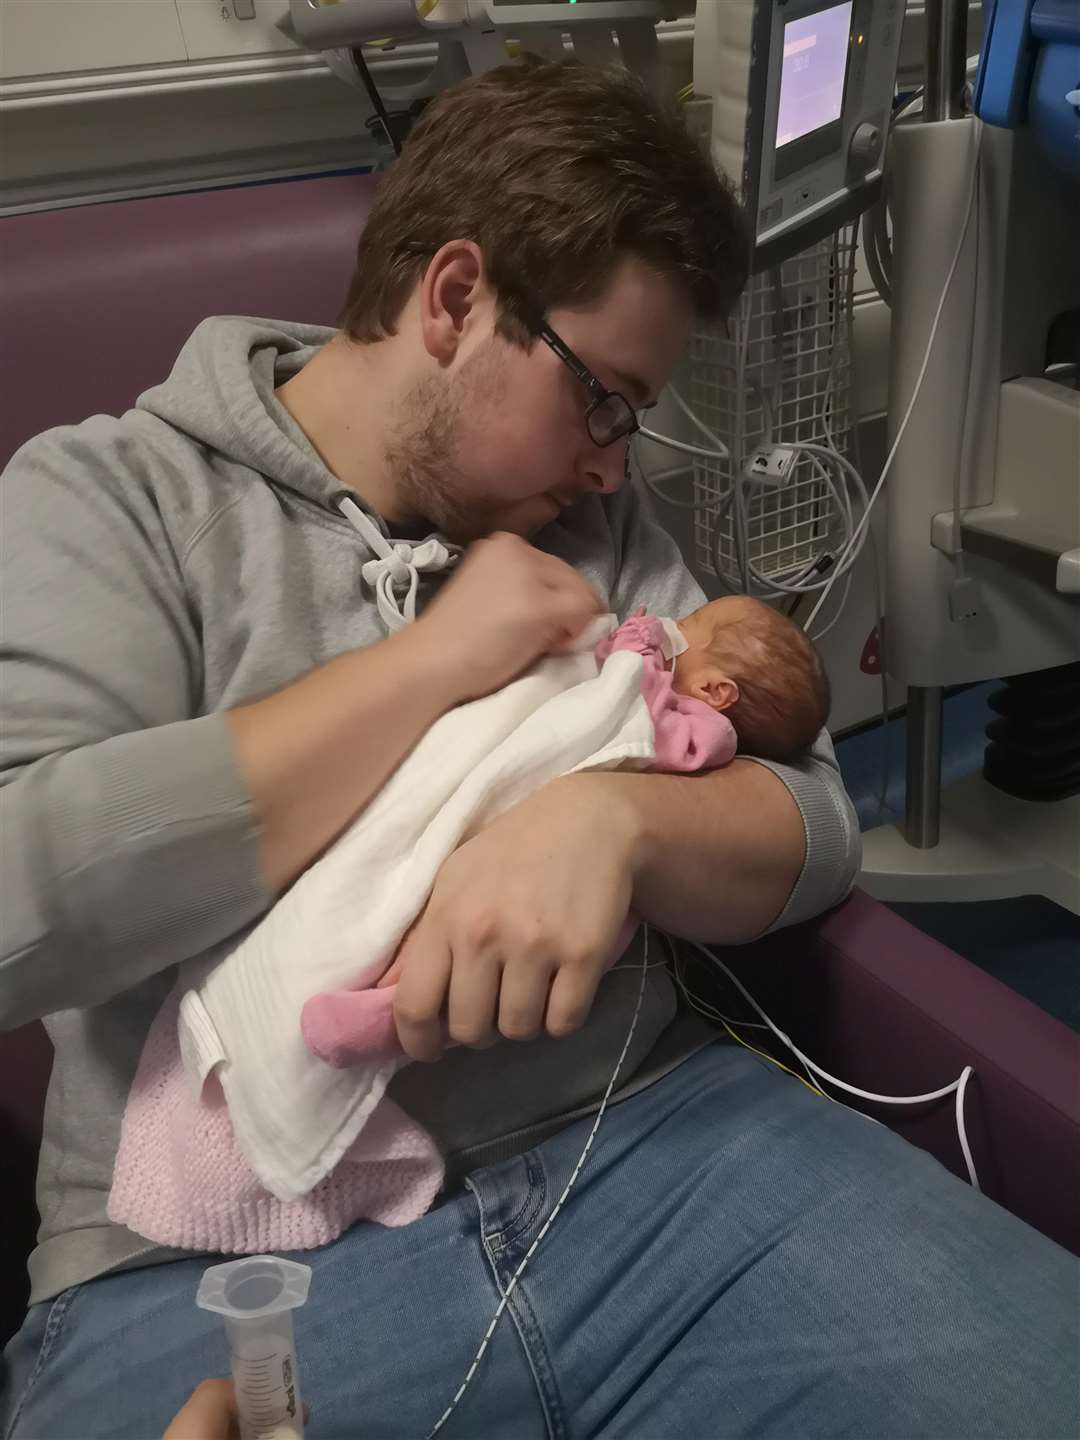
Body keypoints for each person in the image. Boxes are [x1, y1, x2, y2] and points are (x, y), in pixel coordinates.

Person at [0, 58, 1075, 1440]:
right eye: (607, 400)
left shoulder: (592, 531)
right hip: (212, 1268)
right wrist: (432, 664)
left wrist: (610, 829)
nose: (616, 468)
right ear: (455, 300)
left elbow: (808, 820)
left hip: (661, 1167)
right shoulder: (111, 500)